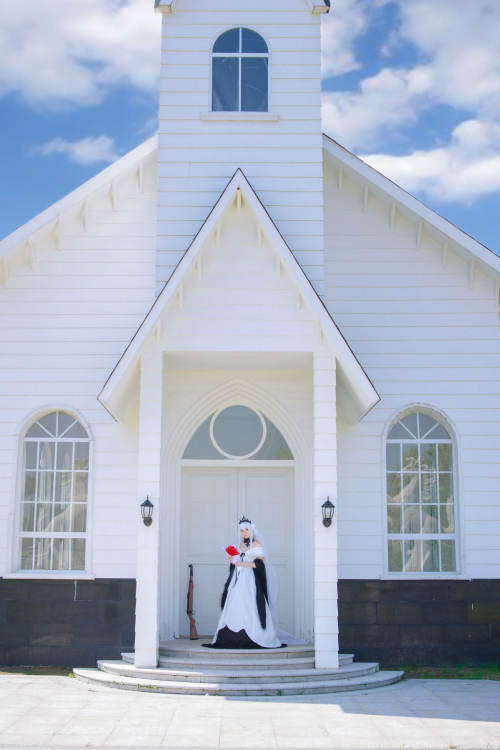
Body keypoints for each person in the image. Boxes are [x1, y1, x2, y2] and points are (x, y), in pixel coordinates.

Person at [203, 516, 286, 649]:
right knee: (234, 602)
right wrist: (233, 561)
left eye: (247, 529)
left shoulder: (257, 545)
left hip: (251, 579)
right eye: (242, 530)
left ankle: (255, 636)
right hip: (239, 578)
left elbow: (259, 565)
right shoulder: (239, 546)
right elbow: (237, 562)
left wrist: (241, 563)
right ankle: (231, 636)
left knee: (251, 603)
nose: (244, 533)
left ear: (252, 530)